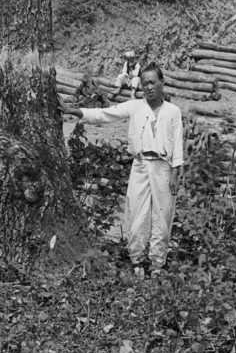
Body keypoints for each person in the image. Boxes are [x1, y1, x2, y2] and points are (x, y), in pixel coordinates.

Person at [78, 59, 185, 273]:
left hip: (163, 167)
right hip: (140, 165)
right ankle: (137, 260)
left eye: (153, 82)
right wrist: (76, 112)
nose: (149, 87)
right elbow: (105, 114)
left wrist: (175, 174)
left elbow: (178, 145)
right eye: (144, 83)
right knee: (136, 214)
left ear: (162, 83)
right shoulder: (135, 107)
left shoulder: (173, 112)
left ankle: (157, 264)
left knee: (162, 217)